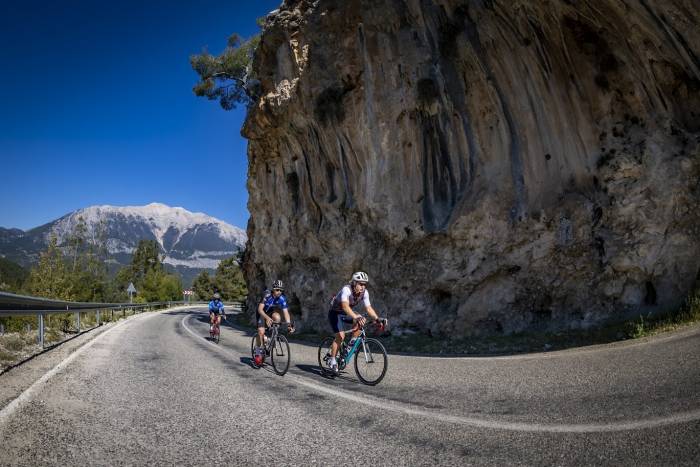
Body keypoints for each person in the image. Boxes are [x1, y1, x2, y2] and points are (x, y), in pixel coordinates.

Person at [326, 271, 382, 374]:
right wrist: (356, 316)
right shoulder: (346, 289)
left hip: (346, 313)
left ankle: (348, 348)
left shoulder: (365, 292)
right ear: (354, 283)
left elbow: (368, 308)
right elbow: (345, 306)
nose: (363, 287)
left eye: (364, 284)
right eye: (360, 284)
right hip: (335, 313)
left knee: (361, 322)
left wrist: (377, 319)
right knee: (341, 336)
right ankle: (332, 360)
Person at [254, 280, 294, 365]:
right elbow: (260, 309)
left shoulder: (282, 298)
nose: (279, 292)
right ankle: (258, 351)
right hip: (261, 313)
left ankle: (273, 337)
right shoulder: (267, 295)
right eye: (277, 290)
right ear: (273, 289)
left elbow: (286, 312)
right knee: (260, 332)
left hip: (270, 312)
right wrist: (267, 318)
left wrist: (289, 324)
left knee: (278, 317)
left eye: (281, 290)